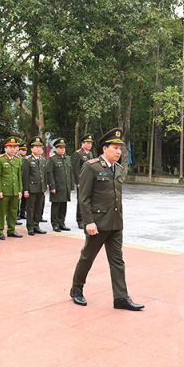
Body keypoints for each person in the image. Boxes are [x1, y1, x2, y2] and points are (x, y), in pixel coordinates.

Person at [70, 128, 143, 311]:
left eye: (120, 148)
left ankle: (121, 297)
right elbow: (84, 197)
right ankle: (76, 289)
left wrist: (119, 221)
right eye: (114, 147)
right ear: (104, 148)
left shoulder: (118, 169)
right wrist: (88, 222)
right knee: (87, 257)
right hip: (98, 224)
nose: (118, 151)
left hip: (115, 224)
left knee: (118, 261)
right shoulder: (91, 166)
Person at [0, 137, 23, 239]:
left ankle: (11, 230)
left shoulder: (18, 159)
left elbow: (19, 176)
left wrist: (20, 190)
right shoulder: (0, 159)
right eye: (10, 147)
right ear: (5, 148)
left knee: (13, 211)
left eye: (14, 147)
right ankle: (0, 230)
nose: (12, 149)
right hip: (4, 190)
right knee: (1, 211)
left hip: (15, 190)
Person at [46, 137, 73, 232]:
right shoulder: (52, 159)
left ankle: (62, 223)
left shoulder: (67, 158)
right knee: (56, 206)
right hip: (57, 187)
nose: (62, 149)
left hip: (65, 186)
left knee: (63, 205)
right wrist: (52, 187)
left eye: (63, 148)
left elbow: (70, 172)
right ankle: (55, 224)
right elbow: (49, 173)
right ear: (56, 149)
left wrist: (71, 186)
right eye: (60, 148)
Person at [22, 136, 47, 235]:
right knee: (30, 208)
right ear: (31, 149)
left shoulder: (43, 160)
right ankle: (30, 227)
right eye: (36, 147)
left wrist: (45, 188)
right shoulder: (27, 160)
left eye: (40, 147)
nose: (39, 149)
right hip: (31, 188)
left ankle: (36, 225)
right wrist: (26, 190)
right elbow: (25, 176)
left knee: (38, 208)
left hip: (40, 188)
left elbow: (44, 175)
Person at [72, 134, 94, 229]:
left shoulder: (90, 154)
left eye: (91, 143)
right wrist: (77, 182)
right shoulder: (78, 154)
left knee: (89, 201)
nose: (89, 145)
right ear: (82, 143)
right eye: (87, 143)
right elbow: (76, 169)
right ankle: (80, 220)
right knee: (81, 201)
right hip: (82, 181)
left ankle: (87, 219)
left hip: (90, 181)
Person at [17, 142, 28, 223]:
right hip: (18, 181)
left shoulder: (27, 159)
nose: (24, 152)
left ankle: (23, 213)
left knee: (25, 199)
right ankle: (16, 214)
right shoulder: (17, 158)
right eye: (22, 150)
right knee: (17, 199)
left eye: (25, 150)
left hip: (25, 180)